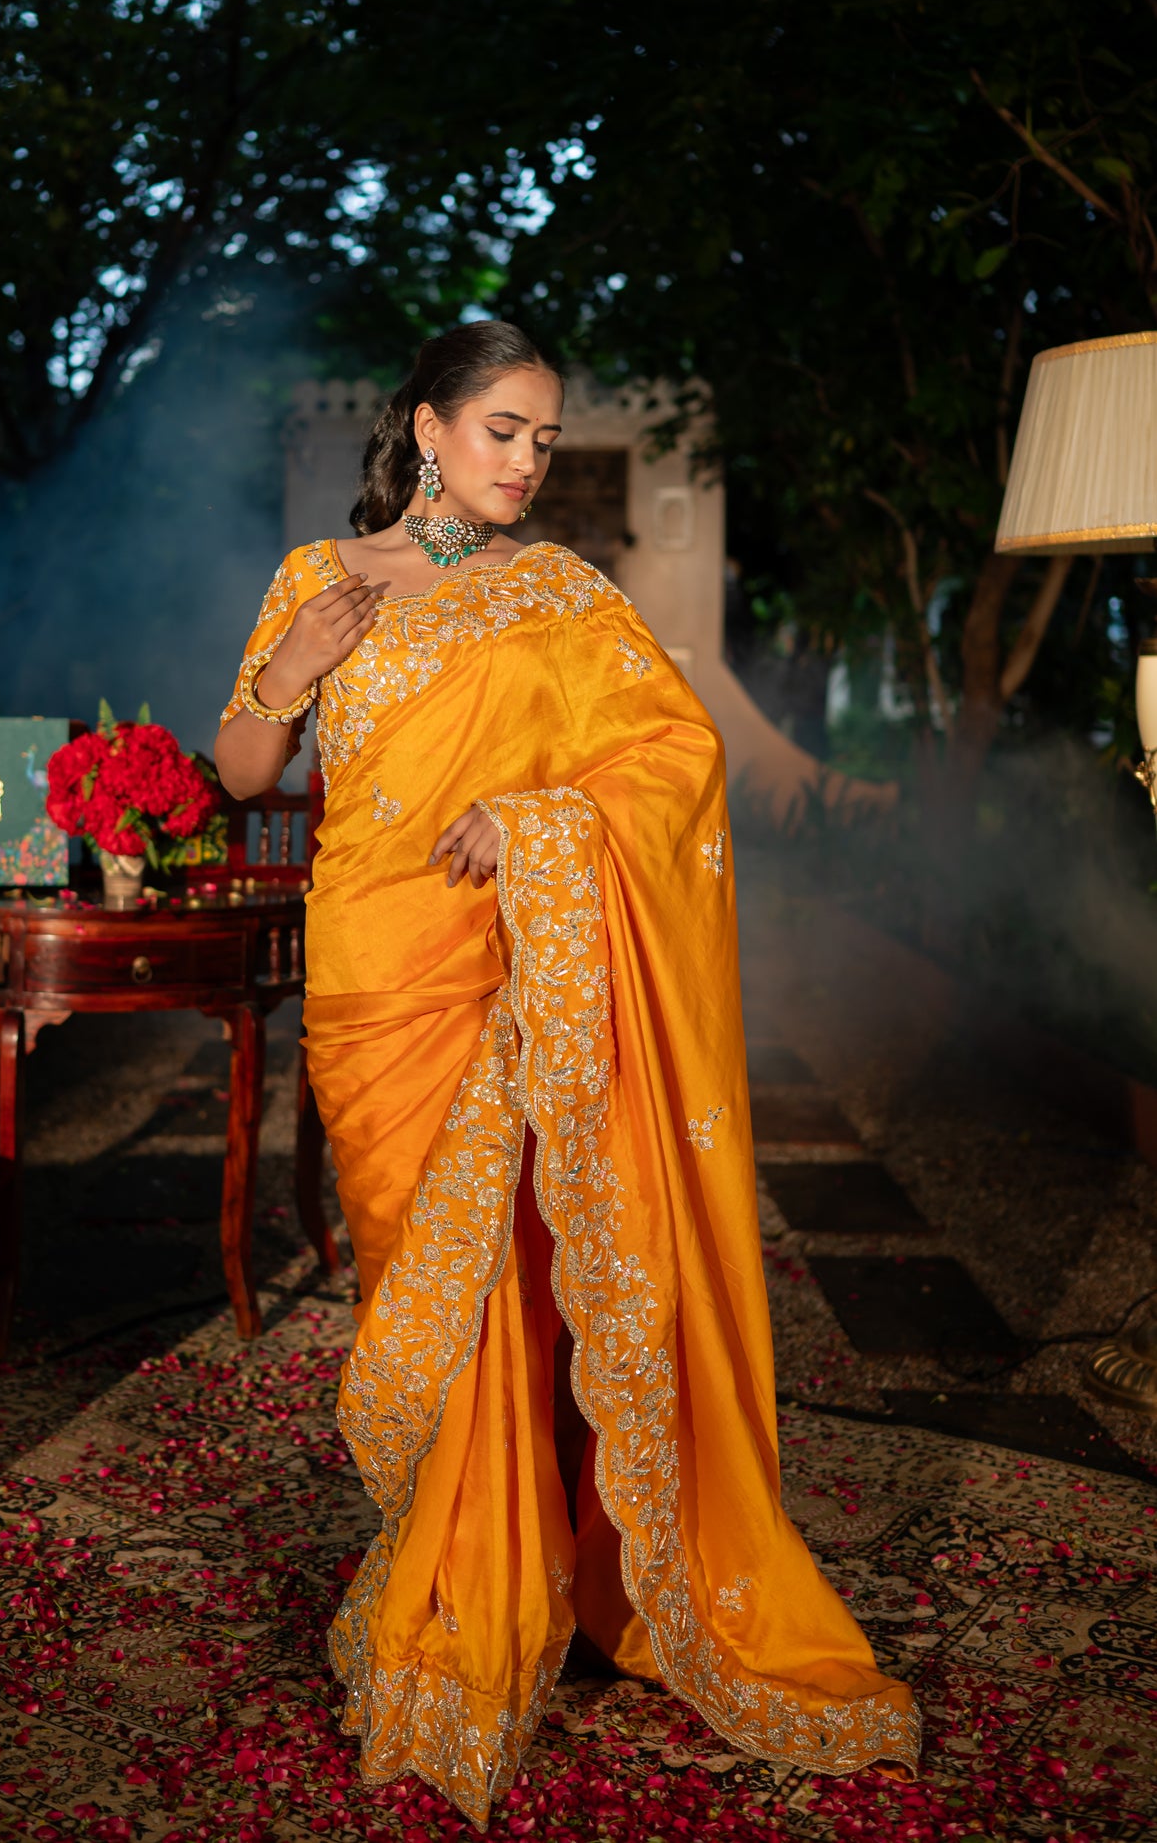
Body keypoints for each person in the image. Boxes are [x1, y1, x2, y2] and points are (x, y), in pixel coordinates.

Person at [213, 321, 918, 1828]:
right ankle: (467, 1566)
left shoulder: (564, 595)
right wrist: (290, 669)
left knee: (506, 1292)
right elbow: (242, 774)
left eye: (543, 438)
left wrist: (537, 820)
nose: (529, 461)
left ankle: (499, 1599)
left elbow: (673, 758)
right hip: (366, 978)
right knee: (414, 1285)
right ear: (427, 428)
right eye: (504, 431)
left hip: (501, 973)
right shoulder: (315, 578)